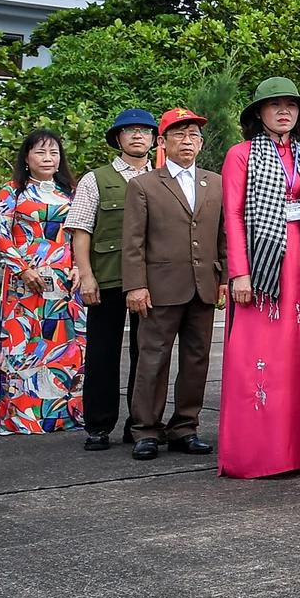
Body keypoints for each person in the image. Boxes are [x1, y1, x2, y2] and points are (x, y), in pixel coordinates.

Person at [219, 77, 300, 478]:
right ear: (258, 113)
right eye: (275, 105)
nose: (284, 112)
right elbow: (233, 215)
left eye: (291, 105)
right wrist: (239, 272)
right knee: (261, 355)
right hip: (264, 266)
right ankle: (260, 453)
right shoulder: (240, 154)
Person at [122, 108, 224, 459]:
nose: (187, 141)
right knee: (153, 359)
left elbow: (223, 234)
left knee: (197, 360)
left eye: (193, 135)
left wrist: (223, 277)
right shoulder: (144, 184)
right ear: (162, 142)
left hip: (203, 285)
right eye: (179, 134)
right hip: (160, 286)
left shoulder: (216, 182)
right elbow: (133, 241)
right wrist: (135, 285)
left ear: (201, 143)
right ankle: (146, 430)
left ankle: (185, 426)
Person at [67, 109, 159, 450]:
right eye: (130, 131)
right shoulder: (96, 179)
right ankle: (99, 425)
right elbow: (80, 230)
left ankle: (139, 425)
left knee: (147, 353)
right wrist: (86, 275)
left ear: (154, 139)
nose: (138, 136)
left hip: (151, 279)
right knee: (103, 353)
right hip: (107, 277)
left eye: (145, 131)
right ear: (117, 138)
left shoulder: (163, 177)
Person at [0, 128, 84, 434]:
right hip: (25, 284)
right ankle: (21, 417)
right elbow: (2, 235)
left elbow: (80, 234)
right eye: (40, 152)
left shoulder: (71, 191)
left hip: (64, 284)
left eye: (53, 152)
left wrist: (78, 266)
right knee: (24, 345)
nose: (47, 158)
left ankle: (61, 416)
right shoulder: (12, 191)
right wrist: (22, 269)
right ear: (27, 158)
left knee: (64, 349)